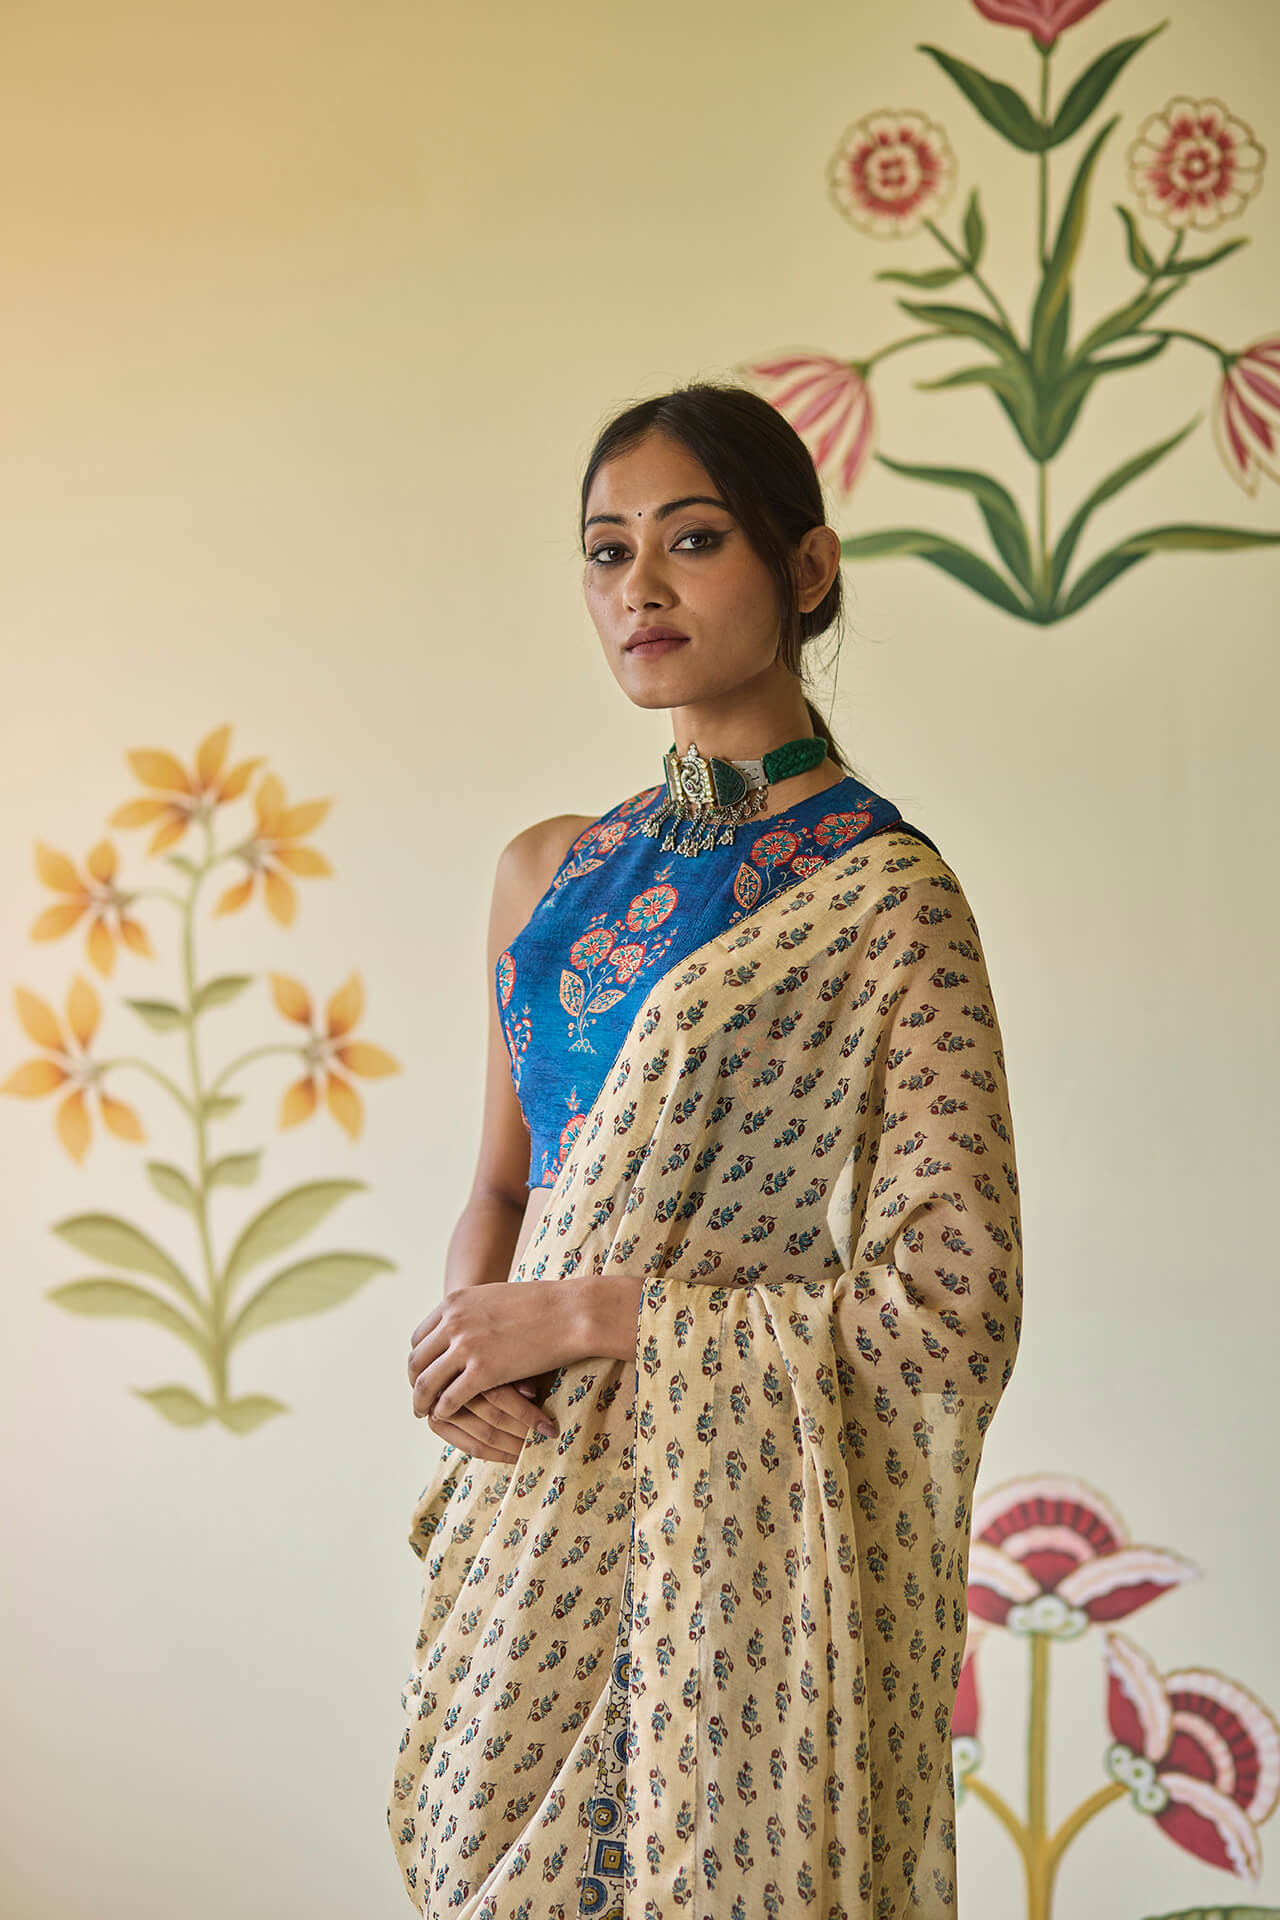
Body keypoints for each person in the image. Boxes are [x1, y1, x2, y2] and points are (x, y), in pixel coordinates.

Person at [390, 382, 1022, 1919]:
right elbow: (504, 1185)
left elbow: (955, 1301)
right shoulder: (547, 869)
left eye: (691, 540)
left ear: (805, 568)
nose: (640, 588)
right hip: (533, 1508)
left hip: (735, 1549)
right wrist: (467, 1348)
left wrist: (601, 1316)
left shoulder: (885, 900)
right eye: (607, 552)